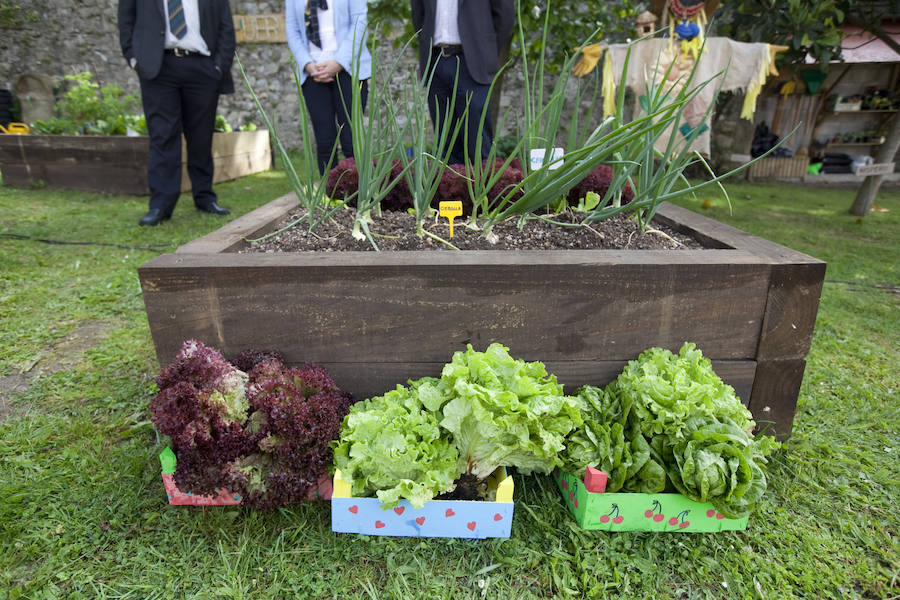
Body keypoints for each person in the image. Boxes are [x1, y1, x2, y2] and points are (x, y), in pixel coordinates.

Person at [118, 0, 236, 226]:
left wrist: (220, 65)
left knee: (201, 136)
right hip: (158, 67)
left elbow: (226, 25)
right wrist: (134, 59)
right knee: (163, 135)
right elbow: (126, 20)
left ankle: (204, 197)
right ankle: (160, 204)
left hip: (202, 65)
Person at [411, 0, 515, 166]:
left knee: (478, 142)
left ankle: (483, 190)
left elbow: (505, 15)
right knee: (445, 144)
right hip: (436, 61)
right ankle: (451, 190)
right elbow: (418, 12)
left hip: (472, 63)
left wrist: (485, 50)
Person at [285, 0, 372, 175]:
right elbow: (292, 29)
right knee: (324, 142)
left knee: (351, 140)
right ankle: (330, 196)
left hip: (349, 69)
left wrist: (338, 62)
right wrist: (307, 64)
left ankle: (359, 197)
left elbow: (359, 23)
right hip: (313, 73)